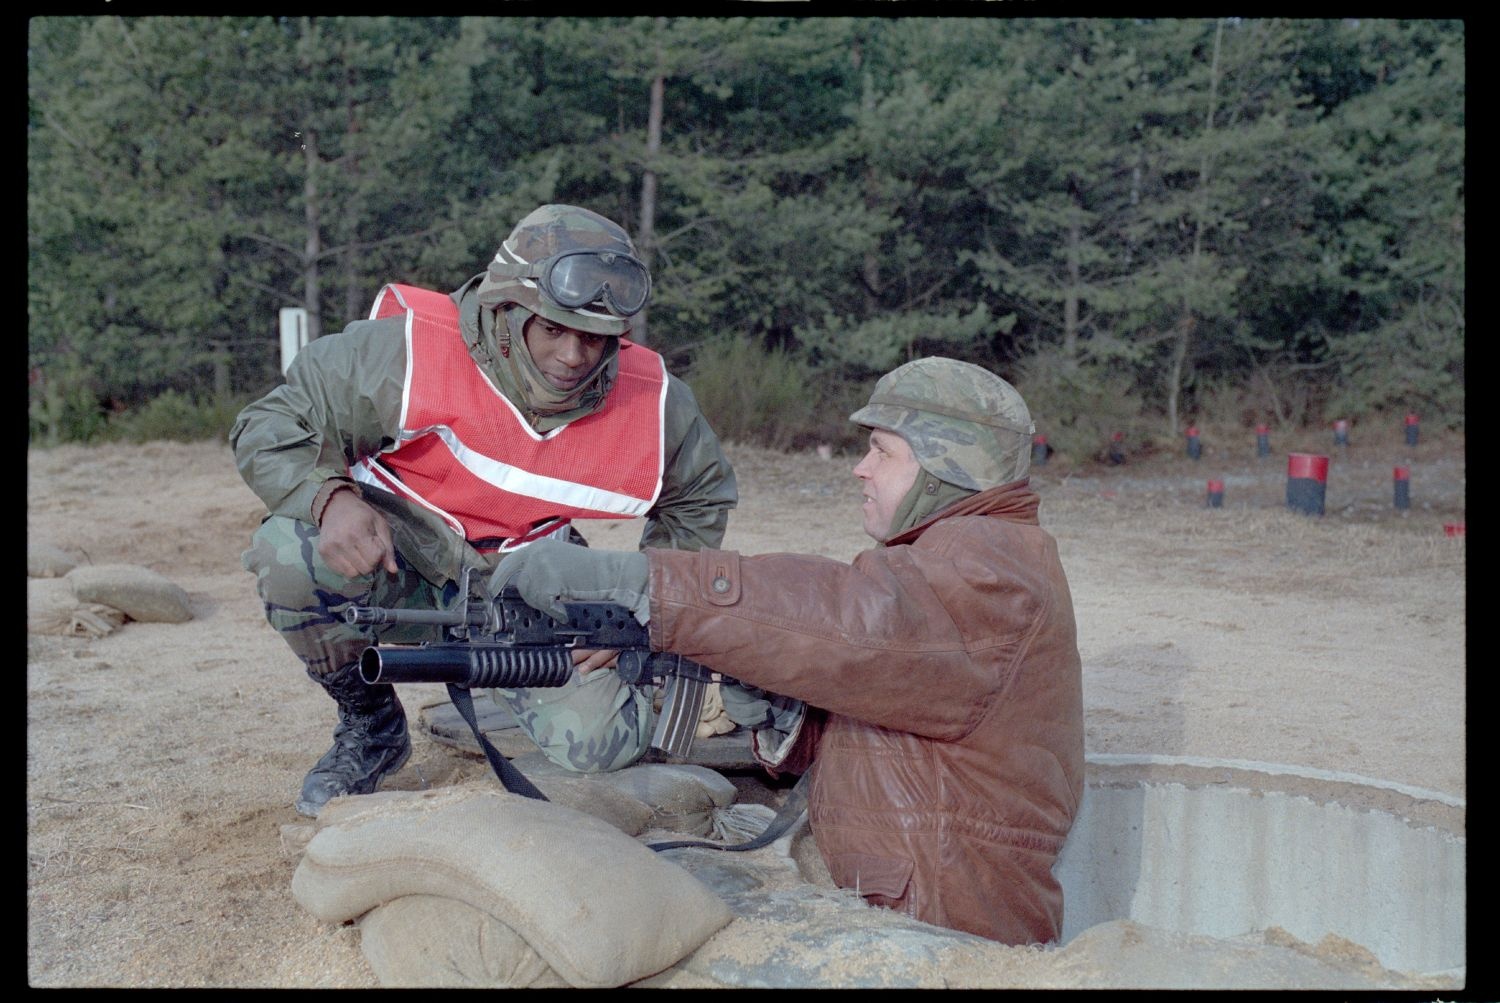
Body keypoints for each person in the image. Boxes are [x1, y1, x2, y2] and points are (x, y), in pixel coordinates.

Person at [492, 357, 1085, 946]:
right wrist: (790, 720)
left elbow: (852, 620)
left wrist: (644, 581)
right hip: (923, 904)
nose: (860, 468)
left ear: (941, 469)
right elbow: (908, 719)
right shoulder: (969, 559)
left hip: (945, 932)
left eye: (882, 450)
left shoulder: (989, 569)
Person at [231, 204, 739, 818]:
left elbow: (700, 493)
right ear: (507, 307)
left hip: (532, 585)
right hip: (399, 561)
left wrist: (641, 607)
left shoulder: (654, 401)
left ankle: (512, 687)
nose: (576, 356)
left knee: (601, 746)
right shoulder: (405, 353)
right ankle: (371, 727)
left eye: (597, 337)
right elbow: (271, 423)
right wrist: (331, 498)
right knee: (289, 556)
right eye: (554, 328)